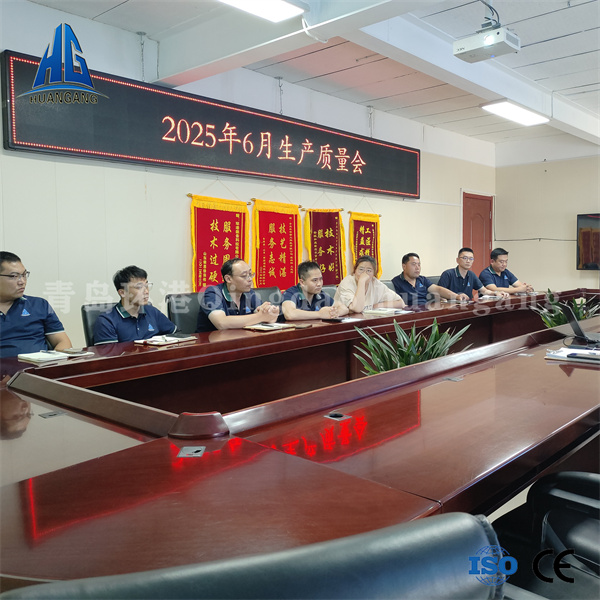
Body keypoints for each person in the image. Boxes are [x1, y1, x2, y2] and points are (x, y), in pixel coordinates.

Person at [0, 251, 72, 358]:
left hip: (39, 366)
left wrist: (53, 360)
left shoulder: (40, 305)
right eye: (14, 276)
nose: (22, 281)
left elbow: (62, 342)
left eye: (24, 275)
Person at [93, 265, 176, 344]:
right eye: (139, 287)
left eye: (146, 286)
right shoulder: (107, 321)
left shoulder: (152, 311)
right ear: (122, 293)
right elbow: (110, 353)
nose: (146, 291)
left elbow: (176, 336)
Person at [196, 258, 280, 332]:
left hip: (240, 339)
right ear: (228, 279)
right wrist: (260, 316)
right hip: (210, 342)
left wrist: (271, 313)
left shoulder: (249, 293)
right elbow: (221, 323)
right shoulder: (213, 293)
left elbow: (265, 316)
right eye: (244, 276)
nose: (250, 279)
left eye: (250, 274)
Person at [392, 253, 470, 306]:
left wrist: (457, 296)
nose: (417, 267)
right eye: (414, 264)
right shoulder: (396, 282)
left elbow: (438, 289)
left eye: (419, 264)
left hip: (426, 310)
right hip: (410, 313)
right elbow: (398, 304)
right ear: (404, 266)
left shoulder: (422, 279)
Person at [335, 255, 405, 313]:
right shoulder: (347, 282)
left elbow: (400, 303)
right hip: (343, 322)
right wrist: (361, 282)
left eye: (369, 270)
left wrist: (377, 306)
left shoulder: (375, 283)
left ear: (373, 274)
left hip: (367, 320)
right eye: (361, 269)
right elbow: (357, 308)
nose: (364, 274)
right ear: (355, 271)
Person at [282, 261, 348, 321]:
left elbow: (344, 308)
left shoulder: (320, 295)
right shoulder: (291, 293)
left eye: (321, 279)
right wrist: (320, 314)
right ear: (302, 282)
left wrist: (333, 313)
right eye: (315, 280)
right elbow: (290, 314)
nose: (319, 284)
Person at [438, 248, 509, 300]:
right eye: (465, 258)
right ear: (457, 260)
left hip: (467, 307)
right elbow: (438, 294)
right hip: (450, 308)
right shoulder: (448, 274)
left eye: (471, 259)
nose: (468, 261)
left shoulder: (471, 275)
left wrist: (496, 293)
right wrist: (455, 297)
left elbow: (484, 290)